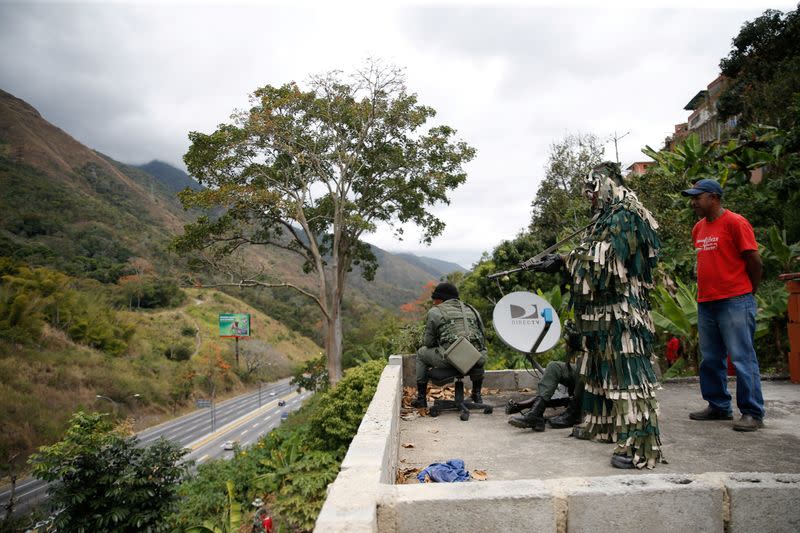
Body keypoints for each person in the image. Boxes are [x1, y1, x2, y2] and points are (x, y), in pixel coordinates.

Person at [521, 162, 665, 469]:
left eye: (592, 188)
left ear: (607, 183)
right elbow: (593, 252)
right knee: (600, 376)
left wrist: (563, 258)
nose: (588, 195)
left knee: (628, 378)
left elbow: (610, 261)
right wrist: (563, 259)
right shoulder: (606, 216)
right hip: (600, 318)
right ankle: (604, 425)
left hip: (622, 317)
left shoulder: (627, 213)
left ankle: (639, 444)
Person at [681, 178, 765, 432]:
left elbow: (754, 260)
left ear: (714, 198)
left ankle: (752, 412)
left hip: (735, 300)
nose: (693, 202)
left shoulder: (735, 223)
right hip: (707, 301)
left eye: (698, 197)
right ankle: (718, 405)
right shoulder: (698, 228)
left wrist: (749, 291)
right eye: (692, 197)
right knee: (710, 358)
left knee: (742, 358)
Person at [411, 282, 487, 409]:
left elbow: (428, 342)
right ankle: (476, 394)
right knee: (479, 350)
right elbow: (482, 337)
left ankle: (421, 399)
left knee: (421, 353)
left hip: (451, 359)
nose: (434, 302)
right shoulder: (473, 310)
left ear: (441, 299)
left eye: (435, 299)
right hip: (476, 359)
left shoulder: (435, 311)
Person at [507, 321, 584, 432]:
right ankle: (536, 414)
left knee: (584, 368)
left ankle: (574, 414)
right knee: (554, 366)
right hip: (582, 366)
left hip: (600, 373)